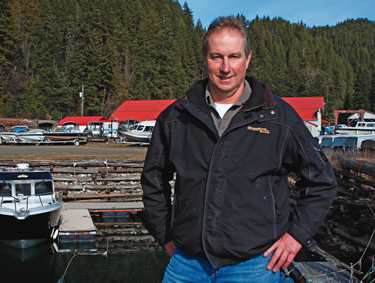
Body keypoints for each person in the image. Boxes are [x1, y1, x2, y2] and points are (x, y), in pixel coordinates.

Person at [141, 16, 337, 282]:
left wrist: (296, 236)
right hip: (187, 264)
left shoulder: (278, 118)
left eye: (234, 56)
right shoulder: (176, 118)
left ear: (248, 58)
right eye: (216, 57)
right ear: (204, 58)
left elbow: (322, 181)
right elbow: (153, 181)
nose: (225, 67)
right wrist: (165, 235)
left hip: (255, 265)